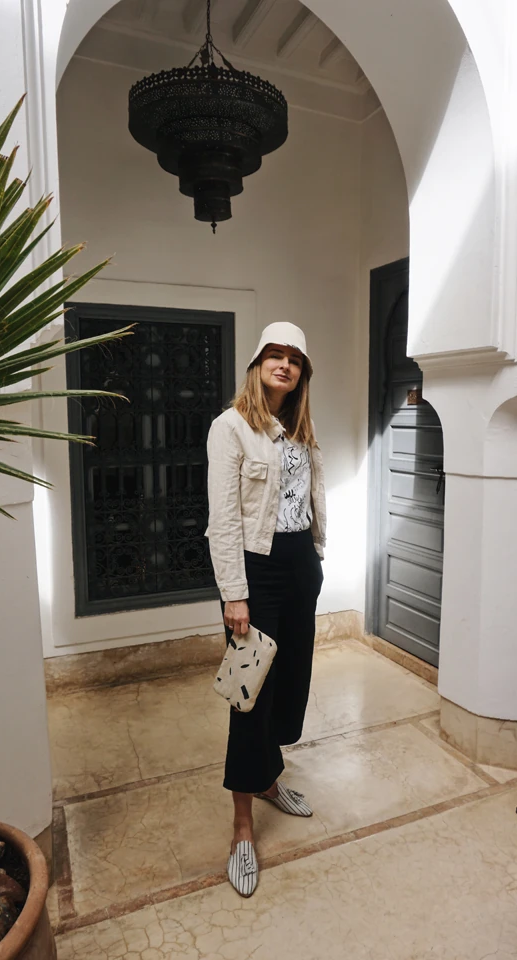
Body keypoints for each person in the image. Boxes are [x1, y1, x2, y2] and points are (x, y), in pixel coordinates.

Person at [205, 321, 327, 897]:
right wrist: (234, 592)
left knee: (291, 681)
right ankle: (242, 826)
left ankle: (269, 778)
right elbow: (224, 517)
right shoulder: (230, 427)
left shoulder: (301, 429)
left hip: (301, 564)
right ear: (257, 364)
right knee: (249, 693)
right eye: (275, 355)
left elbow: (310, 499)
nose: (285, 365)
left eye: (294, 359)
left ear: (302, 373)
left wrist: (317, 556)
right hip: (257, 571)